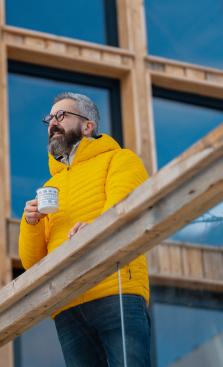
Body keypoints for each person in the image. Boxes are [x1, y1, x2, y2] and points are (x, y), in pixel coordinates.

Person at [19, 92, 151, 367]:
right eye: (49, 119)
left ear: (88, 126)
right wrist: (30, 223)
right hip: (67, 305)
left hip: (114, 289)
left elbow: (125, 211)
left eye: (61, 116)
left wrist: (95, 229)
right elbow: (32, 264)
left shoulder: (121, 160)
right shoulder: (48, 188)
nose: (53, 123)